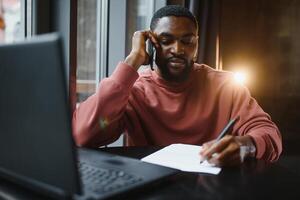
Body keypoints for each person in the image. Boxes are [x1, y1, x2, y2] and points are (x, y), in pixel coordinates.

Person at [72, 5, 282, 166]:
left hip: (212, 187)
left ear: (196, 45)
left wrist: (247, 146)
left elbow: (269, 135)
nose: (178, 49)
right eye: (166, 40)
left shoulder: (226, 85)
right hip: (151, 188)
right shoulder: (133, 90)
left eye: (187, 41)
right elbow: (83, 134)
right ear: (151, 44)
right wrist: (132, 61)